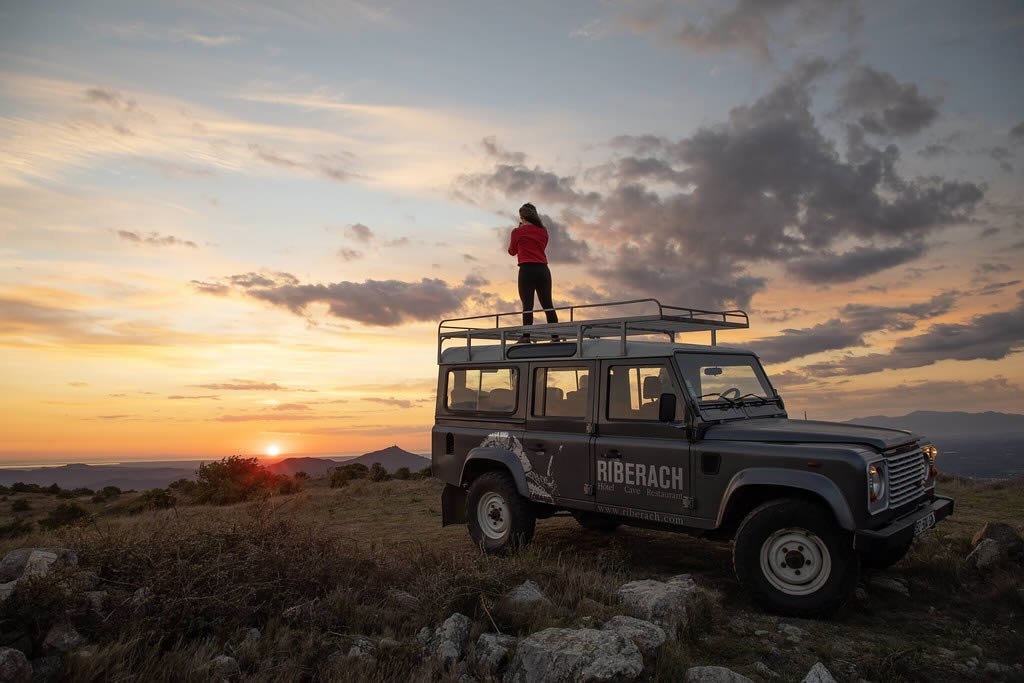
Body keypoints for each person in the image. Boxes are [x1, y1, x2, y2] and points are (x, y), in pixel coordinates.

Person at [508, 202, 558, 342]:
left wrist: (519, 231)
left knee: (528, 305)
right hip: (543, 269)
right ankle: (555, 336)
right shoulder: (543, 231)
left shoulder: (517, 232)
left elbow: (512, 251)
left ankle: (526, 336)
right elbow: (542, 246)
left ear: (522, 217)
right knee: (548, 305)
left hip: (527, 269)